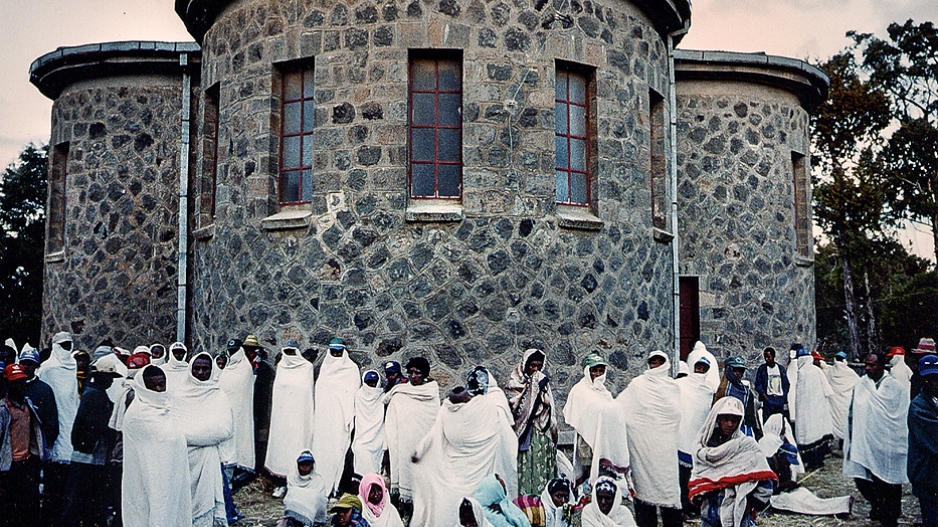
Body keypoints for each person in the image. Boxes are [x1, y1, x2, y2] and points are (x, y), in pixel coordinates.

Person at [411, 384, 518, 527]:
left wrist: (419, 452)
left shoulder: (451, 409)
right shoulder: (485, 406)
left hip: (460, 471)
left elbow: (433, 434)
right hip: (471, 469)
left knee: (456, 507)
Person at [687, 398, 777, 527]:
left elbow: (766, 485)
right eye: (726, 419)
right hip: (709, 513)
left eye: (734, 420)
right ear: (718, 419)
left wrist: (748, 506)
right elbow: (698, 477)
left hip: (736, 513)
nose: (730, 424)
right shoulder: (704, 448)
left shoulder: (746, 446)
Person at [843, 352, 909, 527]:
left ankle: (890, 518)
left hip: (889, 445)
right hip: (865, 443)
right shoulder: (861, 385)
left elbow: (901, 416)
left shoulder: (895, 387)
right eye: (866, 364)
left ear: (881, 366)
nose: (867, 368)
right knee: (863, 480)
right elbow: (853, 413)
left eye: (872, 365)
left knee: (890, 484)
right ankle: (877, 507)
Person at [121, 365, 191, 527]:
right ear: (143, 387)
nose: (158, 390)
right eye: (153, 386)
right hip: (146, 475)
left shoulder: (167, 408)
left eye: (161, 385)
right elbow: (167, 438)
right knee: (148, 511)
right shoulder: (137, 414)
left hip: (169, 473)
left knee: (170, 509)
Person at [618, 351, 682, 527]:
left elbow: (676, 416)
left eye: (660, 362)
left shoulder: (673, 387)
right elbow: (621, 409)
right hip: (643, 451)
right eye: (653, 362)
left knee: (670, 494)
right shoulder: (638, 385)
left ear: (666, 364)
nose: (656, 365)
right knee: (644, 497)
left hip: (666, 453)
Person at [60, 352, 124, 526]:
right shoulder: (95, 396)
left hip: (92, 458)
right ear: (100, 376)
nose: (111, 381)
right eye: (109, 377)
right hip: (88, 459)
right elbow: (97, 426)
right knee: (78, 501)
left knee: (85, 502)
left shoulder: (96, 393)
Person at [176, 352, 235, 527]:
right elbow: (172, 427)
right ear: (190, 369)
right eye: (196, 368)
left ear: (212, 370)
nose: (200, 373)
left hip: (207, 459)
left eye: (205, 369)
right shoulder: (178, 395)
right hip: (181, 458)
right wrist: (197, 436)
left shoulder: (219, 396)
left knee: (204, 504)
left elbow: (223, 430)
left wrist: (186, 436)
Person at [561, 352, 630, 485]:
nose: (597, 374)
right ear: (587, 371)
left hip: (604, 442)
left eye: (601, 370)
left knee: (604, 478)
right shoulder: (579, 390)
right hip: (587, 443)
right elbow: (580, 415)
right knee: (589, 476)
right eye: (594, 370)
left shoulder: (604, 392)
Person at [384, 356, 440, 511]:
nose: (414, 376)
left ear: (425, 374)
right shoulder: (400, 394)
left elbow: (434, 422)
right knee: (406, 474)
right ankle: (406, 510)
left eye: (418, 373)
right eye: (411, 372)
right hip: (404, 445)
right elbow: (392, 422)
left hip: (424, 448)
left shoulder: (432, 394)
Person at [504, 349, 558, 497]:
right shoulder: (514, 384)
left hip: (540, 436)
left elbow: (550, 410)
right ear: (525, 365)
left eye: (539, 366)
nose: (535, 370)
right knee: (524, 470)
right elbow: (513, 409)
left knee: (540, 470)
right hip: (521, 439)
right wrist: (532, 391)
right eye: (532, 365)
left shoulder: (542, 383)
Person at [0, 364, 49, 527]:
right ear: (7, 384)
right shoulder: (3, 409)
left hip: (27, 463)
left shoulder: (28, 405)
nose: (18, 386)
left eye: (21, 382)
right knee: (8, 508)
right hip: (8, 466)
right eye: (14, 383)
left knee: (28, 507)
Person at [39, 331, 80, 521]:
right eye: (62, 345)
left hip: (70, 419)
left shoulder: (73, 366)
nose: (66, 348)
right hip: (54, 423)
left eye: (68, 345)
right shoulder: (48, 369)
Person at [266, 339, 315, 496]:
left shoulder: (306, 368)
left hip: (299, 418)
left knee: (297, 447)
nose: (289, 355)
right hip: (282, 419)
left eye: (292, 352)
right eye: (286, 352)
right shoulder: (281, 367)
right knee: (282, 449)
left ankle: (297, 484)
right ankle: (281, 484)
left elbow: (306, 393)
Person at [313, 337, 361, 495]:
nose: (335, 355)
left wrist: (347, 418)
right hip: (324, 420)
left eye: (338, 352)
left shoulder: (351, 369)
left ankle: (335, 485)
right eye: (333, 352)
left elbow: (351, 395)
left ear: (343, 351)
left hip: (341, 420)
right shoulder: (325, 369)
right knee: (322, 450)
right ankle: (321, 484)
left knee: (339, 451)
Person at [675, 356, 714, 516]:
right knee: (682, 476)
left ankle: (691, 505)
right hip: (682, 436)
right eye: (698, 367)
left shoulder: (708, 391)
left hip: (697, 438)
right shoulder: (681, 385)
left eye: (704, 368)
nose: (700, 370)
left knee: (694, 475)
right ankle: (682, 507)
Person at [219, 338, 256, 480]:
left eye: (235, 351)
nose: (232, 354)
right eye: (231, 351)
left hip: (240, 412)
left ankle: (238, 470)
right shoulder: (227, 369)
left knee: (239, 437)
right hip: (225, 412)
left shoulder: (245, 369)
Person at [792, 347, 833, 470]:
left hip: (807, 411)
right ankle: (819, 462)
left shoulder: (801, 373)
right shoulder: (817, 370)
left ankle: (813, 463)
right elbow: (828, 390)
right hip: (818, 409)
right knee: (818, 434)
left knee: (809, 436)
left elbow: (799, 395)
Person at [908, 355, 938, 527]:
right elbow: (934, 441)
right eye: (929, 379)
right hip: (928, 478)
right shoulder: (918, 407)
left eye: (937, 377)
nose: (934, 383)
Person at [17, 347, 59, 456]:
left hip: (35, 444)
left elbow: (51, 419)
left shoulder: (44, 389)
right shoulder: (14, 386)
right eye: (24, 363)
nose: (26, 367)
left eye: (30, 364)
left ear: (36, 366)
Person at [242, 334, 274, 474]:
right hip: (243, 405)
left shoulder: (263, 368)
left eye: (252, 350)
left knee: (256, 436)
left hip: (257, 406)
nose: (249, 353)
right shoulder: (241, 366)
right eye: (247, 350)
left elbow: (263, 390)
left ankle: (256, 467)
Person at [712, 356, 760, 438]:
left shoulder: (747, 392)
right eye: (735, 370)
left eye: (740, 371)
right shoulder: (722, 391)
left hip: (742, 430)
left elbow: (751, 417)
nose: (738, 373)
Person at [352, 371, 386, 477]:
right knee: (360, 449)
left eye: (374, 382)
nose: (371, 385)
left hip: (377, 437)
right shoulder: (359, 396)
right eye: (369, 382)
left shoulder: (382, 396)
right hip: (362, 437)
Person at [281, 451, 328, 527]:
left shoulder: (318, 480)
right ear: (298, 465)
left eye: (307, 464)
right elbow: (290, 497)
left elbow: (319, 501)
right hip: (294, 513)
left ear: (312, 466)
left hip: (313, 516)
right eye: (302, 464)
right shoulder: (292, 478)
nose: (304, 467)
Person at [825, 351, 859, 445]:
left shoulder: (831, 371)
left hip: (835, 402)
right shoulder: (849, 372)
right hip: (845, 402)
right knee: (844, 420)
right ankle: (844, 441)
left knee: (836, 419)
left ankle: (837, 440)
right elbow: (858, 383)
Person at [753, 347, 789, 422]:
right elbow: (758, 384)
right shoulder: (762, 369)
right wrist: (765, 397)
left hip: (779, 399)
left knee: (780, 421)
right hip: (768, 399)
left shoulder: (781, 369)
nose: (767, 359)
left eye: (769, 357)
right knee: (767, 422)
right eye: (765, 357)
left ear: (773, 356)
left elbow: (786, 384)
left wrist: (783, 396)